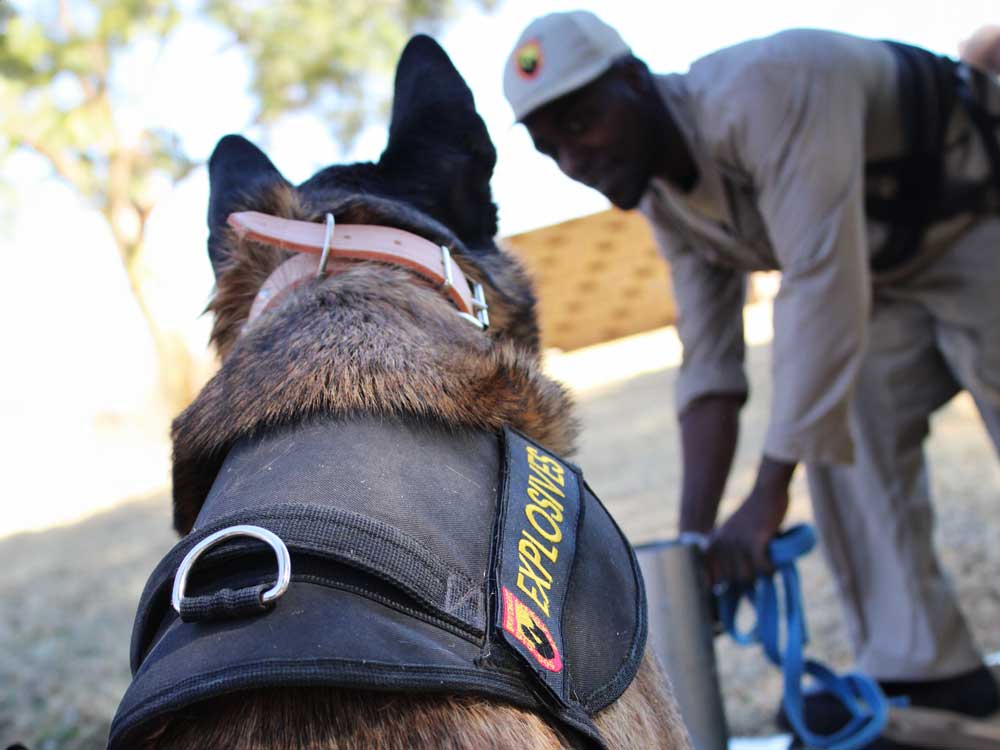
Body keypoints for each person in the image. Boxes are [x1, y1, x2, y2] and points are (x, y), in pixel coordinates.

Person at [503, 10, 1000, 747]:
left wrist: (766, 497)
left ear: (634, 79)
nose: (572, 158)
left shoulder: (767, 91)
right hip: (893, 273)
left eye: (582, 122)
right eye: (550, 147)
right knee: (844, 420)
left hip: (981, 218)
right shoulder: (669, 202)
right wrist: (695, 546)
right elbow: (710, 367)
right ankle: (929, 672)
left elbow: (821, 288)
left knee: (831, 392)